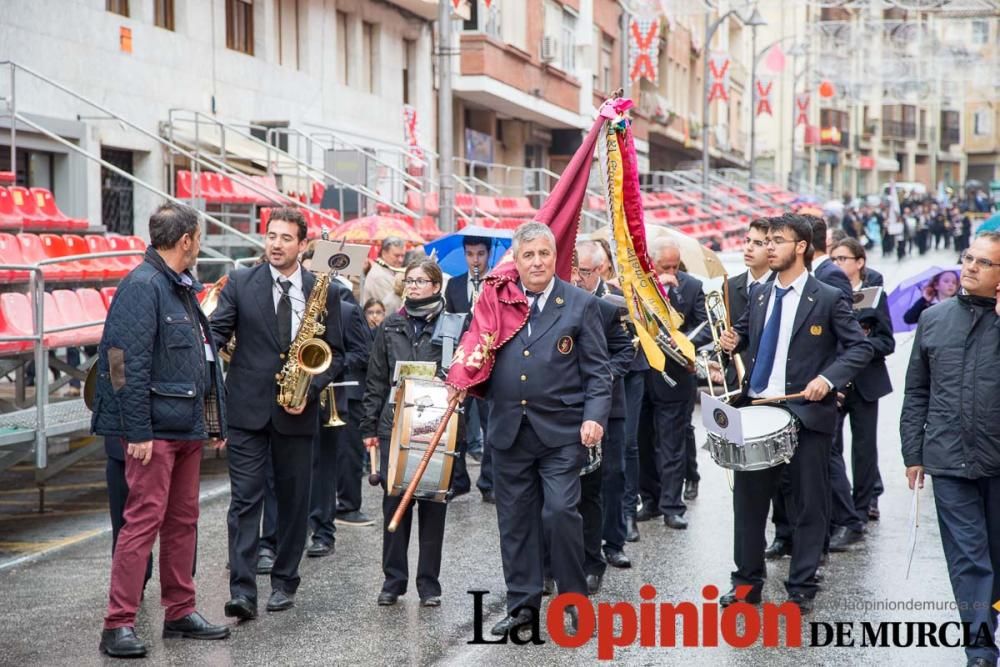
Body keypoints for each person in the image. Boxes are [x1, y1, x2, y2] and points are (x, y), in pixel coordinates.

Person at [91, 203, 229, 657]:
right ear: (186, 239)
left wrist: (212, 422)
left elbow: (199, 357)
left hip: (184, 427)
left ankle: (180, 611)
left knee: (182, 522)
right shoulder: (143, 285)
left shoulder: (179, 286)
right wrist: (138, 431)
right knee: (141, 524)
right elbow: (120, 364)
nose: (200, 243)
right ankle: (118, 624)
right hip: (153, 433)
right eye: (199, 236)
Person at [461, 222, 611, 636]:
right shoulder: (495, 301)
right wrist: (463, 377)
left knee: (560, 512)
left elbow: (599, 372)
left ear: (555, 256)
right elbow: (471, 350)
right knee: (515, 520)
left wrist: (594, 416)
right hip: (508, 430)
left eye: (544, 253)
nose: (537, 261)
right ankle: (522, 605)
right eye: (528, 255)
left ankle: (573, 598)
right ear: (517, 261)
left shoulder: (579, 304)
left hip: (562, 432)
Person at [719, 213, 873, 613]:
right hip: (756, 409)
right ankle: (746, 583)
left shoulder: (826, 296)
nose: (768, 247)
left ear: (801, 247)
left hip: (805, 412)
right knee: (748, 506)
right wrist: (733, 339)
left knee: (808, 503)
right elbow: (747, 334)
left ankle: (802, 583)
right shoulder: (758, 293)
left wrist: (829, 379)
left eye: (777, 240)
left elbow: (859, 348)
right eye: (766, 240)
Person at [209, 207, 344, 619]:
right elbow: (216, 333)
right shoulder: (239, 282)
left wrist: (312, 387)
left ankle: (285, 581)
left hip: (298, 409)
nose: (276, 244)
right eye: (271, 236)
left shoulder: (326, 290)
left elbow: (337, 353)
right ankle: (243, 591)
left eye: (286, 238)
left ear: (303, 245)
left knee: (293, 502)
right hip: (247, 410)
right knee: (245, 501)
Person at [900, 232, 1000, 667]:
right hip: (948, 458)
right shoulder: (935, 319)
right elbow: (916, 391)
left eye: (983, 263)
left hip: (997, 459)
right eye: (968, 258)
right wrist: (913, 452)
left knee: (994, 558)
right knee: (968, 559)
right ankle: (979, 648)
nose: (970, 268)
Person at [361, 259, 456, 608]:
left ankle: (429, 584)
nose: (413, 287)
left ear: (435, 286)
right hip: (394, 426)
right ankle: (393, 581)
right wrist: (369, 427)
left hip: (436, 426)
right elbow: (374, 380)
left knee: (432, 502)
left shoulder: (452, 325)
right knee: (394, 502)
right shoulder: (390, 326)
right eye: (409, 281)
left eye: (421, 281)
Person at [573, 241, 636, 587]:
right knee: (581, 483)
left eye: (584, 270)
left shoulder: (611, 302)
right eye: (576, 270)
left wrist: (604, 374)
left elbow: (626, 351)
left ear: (599, 270)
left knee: (612, 474)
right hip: (573, 406)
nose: (579, 276)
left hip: (608, 404)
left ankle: (614, 543)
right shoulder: (567, 297)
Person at [826, 238, 895, 548]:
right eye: (834, 257)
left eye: (844, 258)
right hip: (834, 381)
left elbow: (887, 341)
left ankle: (863, 504)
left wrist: (862, 346)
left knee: (864, 449)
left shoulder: (874, 295)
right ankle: (838, 509)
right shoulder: (827, 292)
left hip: (866, 381)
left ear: (859, 262)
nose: (839, 263)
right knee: (831, 448)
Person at [638, 236, 710, 529]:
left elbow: (705, 327)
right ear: (651, 264)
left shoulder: (691, 287)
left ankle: (672, 505)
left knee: (672, 443)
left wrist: (684, 343)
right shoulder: (639, 286)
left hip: (677, 374)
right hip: (643, 373)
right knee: (643, 442)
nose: (670, 270)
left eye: (674, 265)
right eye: (663, 266)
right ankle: (650, 499)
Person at [443, 235, 495, 504]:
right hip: (462, 361)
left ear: (489, 254)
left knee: (490, 423)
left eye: (481, 254)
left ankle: (488, 481)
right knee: (458, 422)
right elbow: (449, 323)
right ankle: (458, 479)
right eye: (471, 254)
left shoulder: (497, 283)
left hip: (488, 362)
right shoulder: (453, 285)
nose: (476, 260)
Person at [363, 236, 406, 315]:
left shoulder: (388, 270)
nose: (400, 260)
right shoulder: (379, 276)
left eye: (402, 256)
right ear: (384, 253)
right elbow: (389, 310)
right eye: (396, 256)